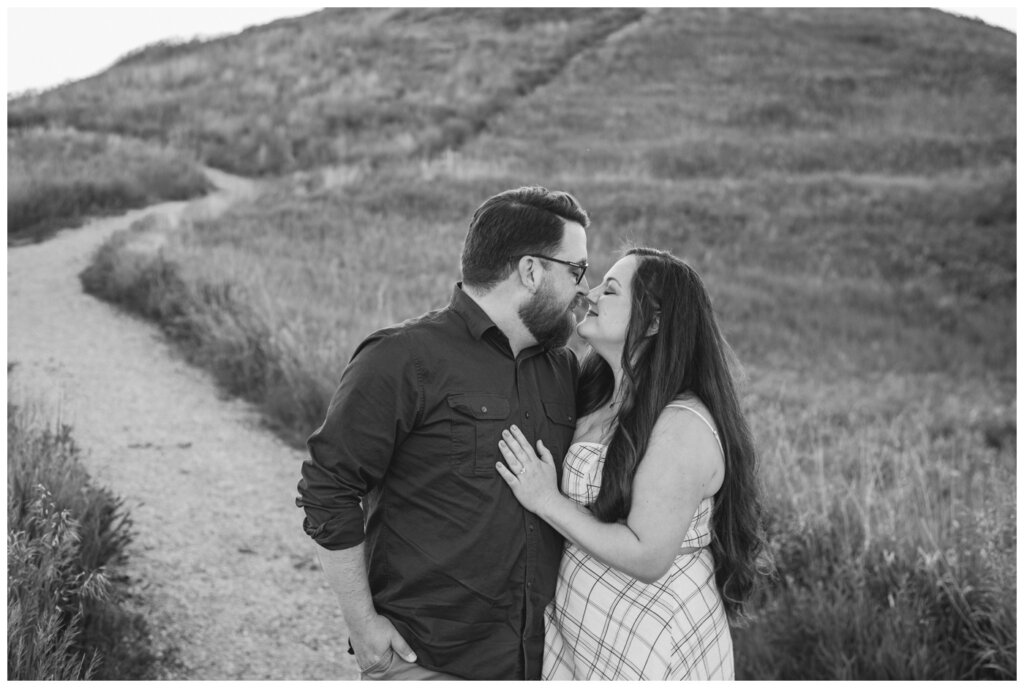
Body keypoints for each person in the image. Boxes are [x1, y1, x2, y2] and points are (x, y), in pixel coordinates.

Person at [295, 186, 592, 680]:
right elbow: (329, 488)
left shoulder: (562, 368)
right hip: (428, 661)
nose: (584, 288)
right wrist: (363, 627)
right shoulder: (403, 357)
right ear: (531, 271)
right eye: (576, 270)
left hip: (543, 664)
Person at [495, 247, 766, 680]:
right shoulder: (595, 390)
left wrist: (545, 499)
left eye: (612, 289)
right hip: (586, 633)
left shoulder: (682, 425)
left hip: (649, 636)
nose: (591, 293)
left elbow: (647, 555)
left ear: (655, 322)